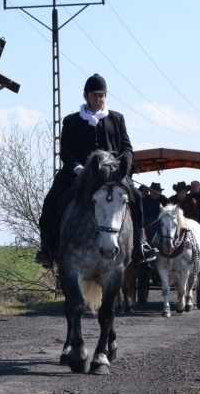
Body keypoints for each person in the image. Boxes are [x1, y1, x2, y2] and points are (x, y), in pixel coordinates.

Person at [34, 73, 157, 268]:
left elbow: (127, 148)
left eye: (101, 96)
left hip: (113, 174)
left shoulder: (117, 119)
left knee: (137, 196)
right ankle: (47, 247)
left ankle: (139, 245)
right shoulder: (72, 121)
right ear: (85, 96)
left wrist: (124, 163)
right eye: (94, 96)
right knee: (51, 199)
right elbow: (66, 151)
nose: (98, 99)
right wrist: (77, 168)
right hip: (79, 172)